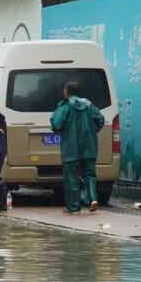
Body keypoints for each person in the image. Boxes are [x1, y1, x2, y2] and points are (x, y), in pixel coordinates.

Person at [51, 80, 105, 214]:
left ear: (66, 92)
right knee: (90, 174)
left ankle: (74, 207)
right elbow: (100, 119)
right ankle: (93, 199)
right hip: (89, 146)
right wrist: (92, 132)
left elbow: (56, 124)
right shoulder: (89, 105)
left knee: (71, 177)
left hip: (70, 148)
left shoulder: (65, 107)